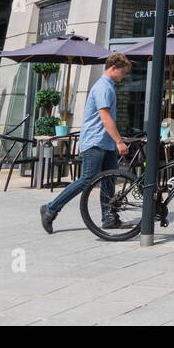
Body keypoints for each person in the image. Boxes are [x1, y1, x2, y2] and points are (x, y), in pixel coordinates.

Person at [40, 53, 132, 234]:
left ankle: (108, 218)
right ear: (113, 68)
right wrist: (119, 141)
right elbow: (105, 118)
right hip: (95, 142)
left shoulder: (108, 87)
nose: (124, 76)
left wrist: (115, 141)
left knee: (109, 181)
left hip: (105, 143)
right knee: (87, 180)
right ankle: (50, 209)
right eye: (123, 72)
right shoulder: (103, 88)